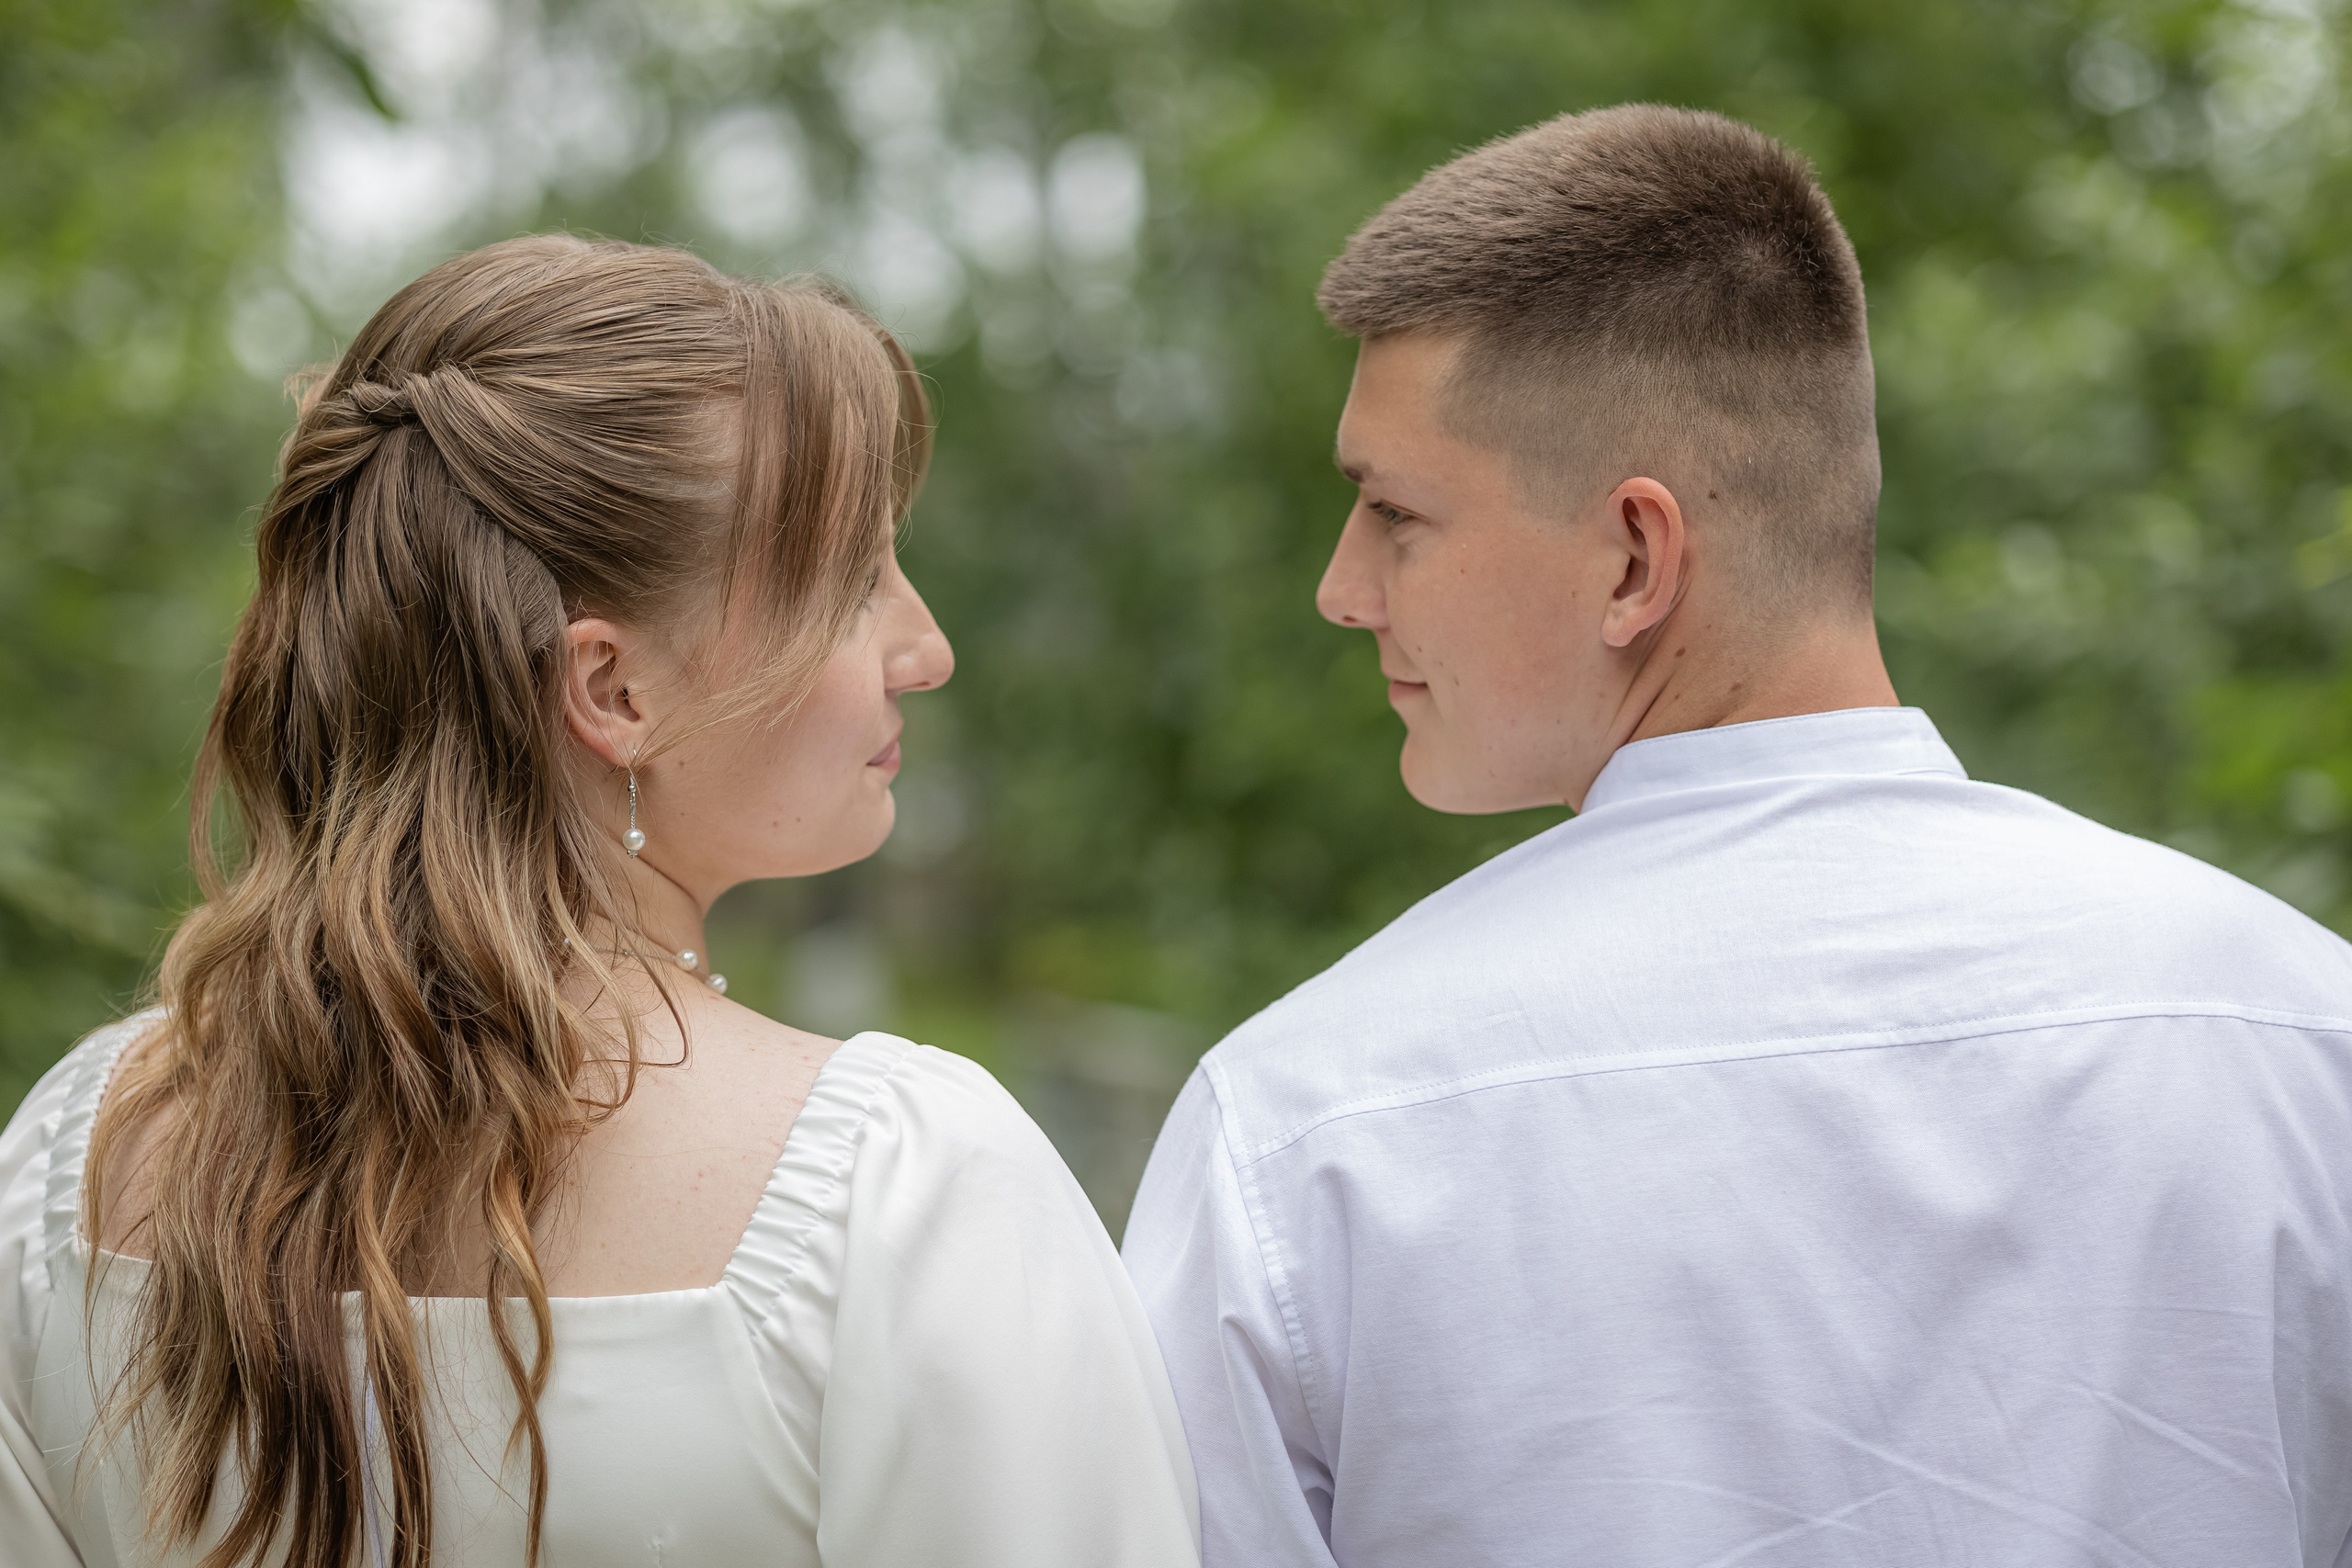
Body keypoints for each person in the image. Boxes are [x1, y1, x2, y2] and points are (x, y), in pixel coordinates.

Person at [1122, 104, 2352, 1567]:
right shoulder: (2298, 1031)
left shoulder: (1309, 1126)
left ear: (1635, 559)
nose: (1342, 589)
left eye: (1395, 514)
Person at [0, 236, 1198, 1568]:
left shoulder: (73, 1157)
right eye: (857, 582)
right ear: (616, 693)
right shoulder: (904, 1197)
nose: (926, 649)